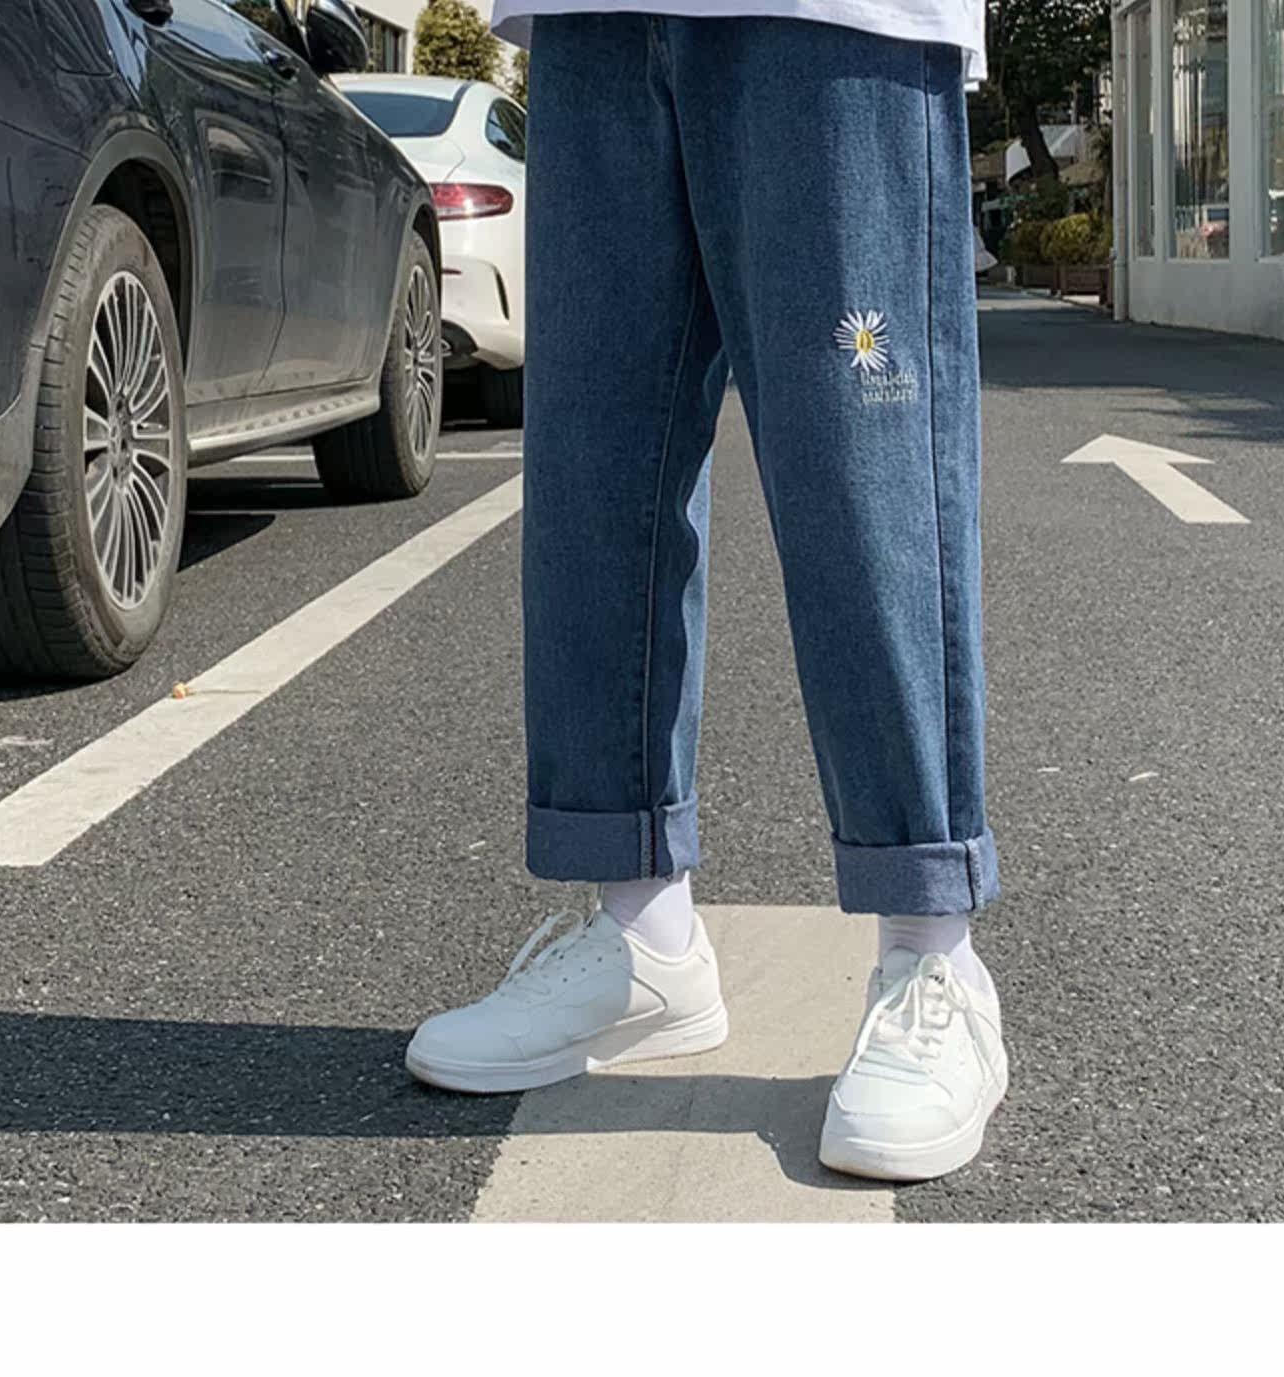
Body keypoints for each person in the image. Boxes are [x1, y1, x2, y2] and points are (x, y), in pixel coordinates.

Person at [405, 0, 1007, 1183]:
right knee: (596, 477)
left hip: (838, 20)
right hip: (588, 19)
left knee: (863, 475)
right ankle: (643, 940)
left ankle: (933, 949)